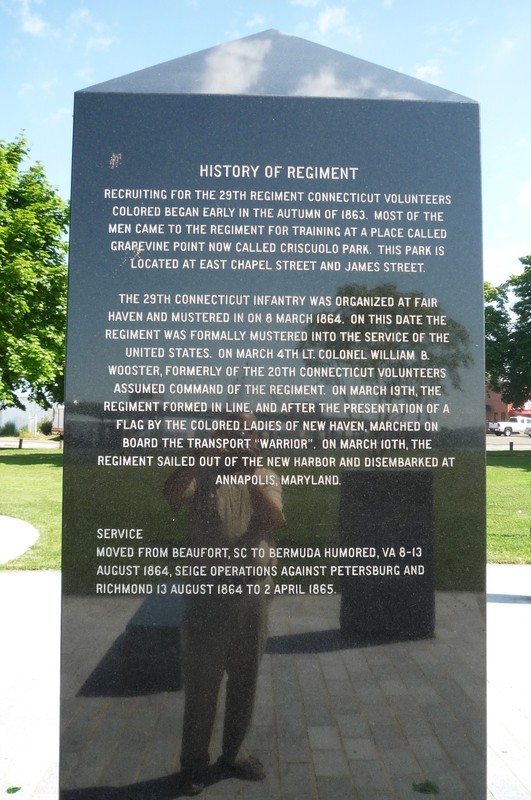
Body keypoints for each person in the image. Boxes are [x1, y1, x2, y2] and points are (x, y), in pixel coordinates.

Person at [163, 412, 285, 796]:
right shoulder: (202, 471)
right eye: (233, 428)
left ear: (258, 438)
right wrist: (201, 454)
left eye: (248, 430)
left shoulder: (264, 475)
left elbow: (273, 518)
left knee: (245, 677)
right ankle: (194, 761)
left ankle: (234, 753)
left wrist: (249, 475)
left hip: (251, 591)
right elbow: (170, 496)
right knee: (202, 679)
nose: (240, 436)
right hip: (206, 592)